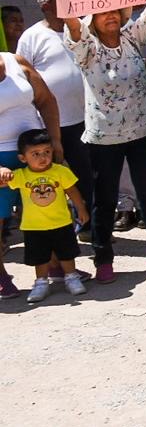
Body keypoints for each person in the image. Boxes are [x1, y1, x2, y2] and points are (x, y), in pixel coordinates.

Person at [63, 0, 146, 284]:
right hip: (104, 137)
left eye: (114, 10)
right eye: (102, 12)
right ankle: (103, 258)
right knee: (105, 198)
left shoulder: (131, 36)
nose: (110, 16)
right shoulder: (88, 49)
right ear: (92, 19)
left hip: (141, 129)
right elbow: (73, 29)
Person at [17, 0, 91, 237]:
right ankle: (56, 226)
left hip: (84, 119)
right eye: (62, 0)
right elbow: (23, 75)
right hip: (47, 123)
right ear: (46, 6)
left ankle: (88, 224)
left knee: (86, 175)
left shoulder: (80, 28)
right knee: (50, 176)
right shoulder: (32, 36)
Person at [0, 49, 63, 300]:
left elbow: (46, 100)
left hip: (36, 153)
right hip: (1, 160)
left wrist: (55, 141)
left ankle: (56, 265)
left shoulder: (15, 62)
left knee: (44, 210)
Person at [0, 130, 88, 303]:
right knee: (39, 257)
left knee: (66, 253)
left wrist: (81, 209)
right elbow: (3, 183)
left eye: (47, 152)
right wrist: (2, 171)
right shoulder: (21, 175)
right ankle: (41, 282)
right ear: (23, 158)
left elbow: (72, 190)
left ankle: (71, 277)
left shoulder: (60, 171)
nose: (43, 157)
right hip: (33, 227)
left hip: (61, 222)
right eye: (36, 154)